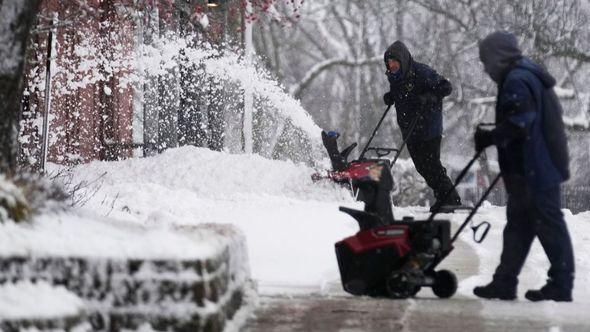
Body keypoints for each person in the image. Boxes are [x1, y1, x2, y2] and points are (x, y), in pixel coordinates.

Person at [473, 31, 575, 302]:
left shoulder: (517, 80)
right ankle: (504, 282)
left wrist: (490, 136)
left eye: (486, 61)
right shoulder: (524, 74)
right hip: (532, 168)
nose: (485, 68)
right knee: (518, 226)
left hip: (534, 170)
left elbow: (521, 122)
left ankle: (561, 285)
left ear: (497, 58)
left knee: (549, 225)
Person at [383, 41, 461, 212]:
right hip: (410, 130)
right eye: (389, 63)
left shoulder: (421, 72)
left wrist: (430, 98)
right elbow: (404, 96)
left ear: (402, 60)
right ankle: (443, 197)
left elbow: (446, 87)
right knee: (422, 167)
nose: (392, 65)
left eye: (395, 62)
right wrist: (391, 96)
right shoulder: (395, 77)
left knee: (432, 165)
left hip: (429, 128)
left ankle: (451, 198)